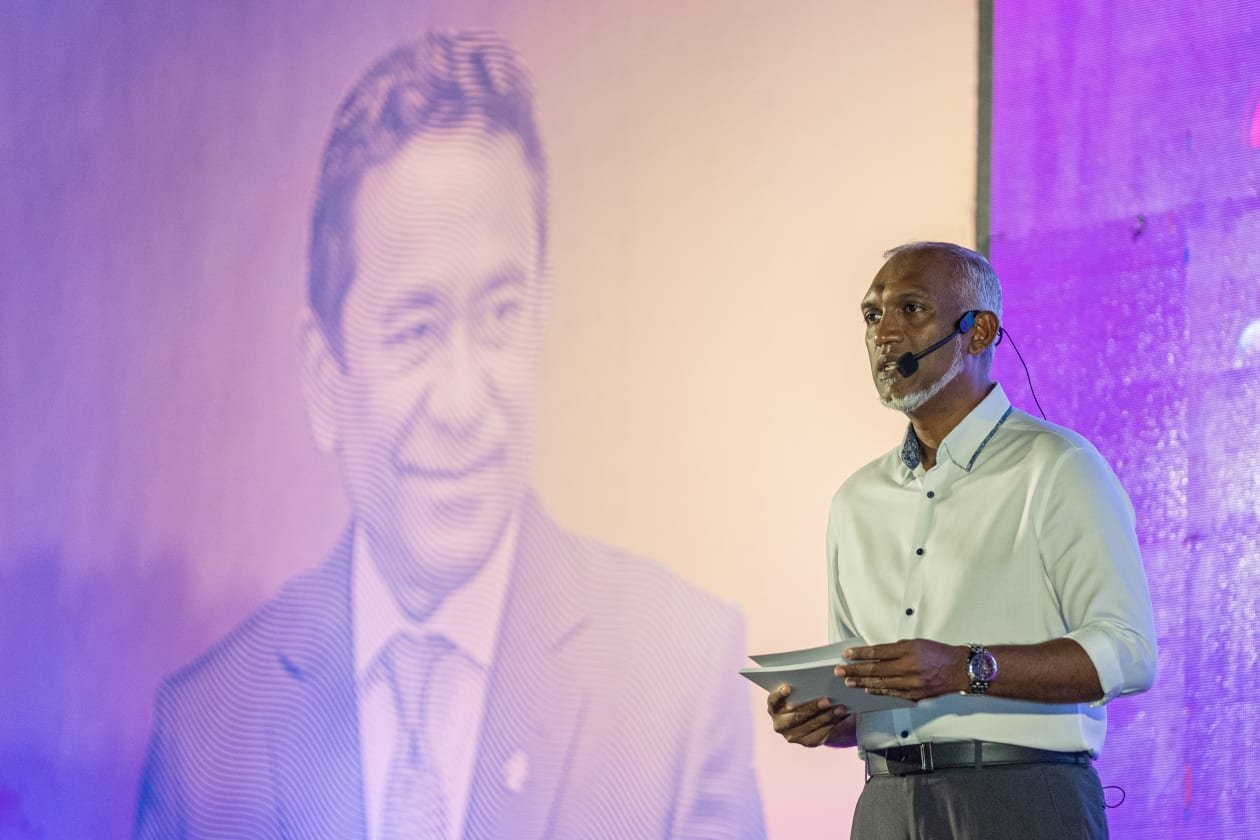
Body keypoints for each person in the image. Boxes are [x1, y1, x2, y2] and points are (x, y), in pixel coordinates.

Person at [135, 30, 764, 840]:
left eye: (500, 315)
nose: (464, 402)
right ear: (325, 379)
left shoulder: (680, 678)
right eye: (416, 329)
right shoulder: (206, 736)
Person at [768, 242, 1157, 839]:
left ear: (979, 332)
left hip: (1020, 797)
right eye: (872, 315)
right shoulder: (856, 499)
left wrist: (963, 668)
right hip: (885, 802)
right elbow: (867, 687)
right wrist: (826, 715)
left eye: (911, 308)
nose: (884, 334)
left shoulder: (1058, 467)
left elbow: (1128, 652)